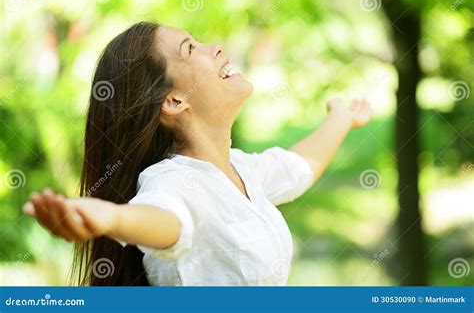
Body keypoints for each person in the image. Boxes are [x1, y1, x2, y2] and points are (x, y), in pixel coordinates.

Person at [22, 22, 373, 286]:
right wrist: (113, 219)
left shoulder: (241, 169)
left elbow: (298, 167)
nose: (215, 47)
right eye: (190, 49)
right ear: (174, 101)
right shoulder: (172, 182)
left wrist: (341, 119)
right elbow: (166, 221)